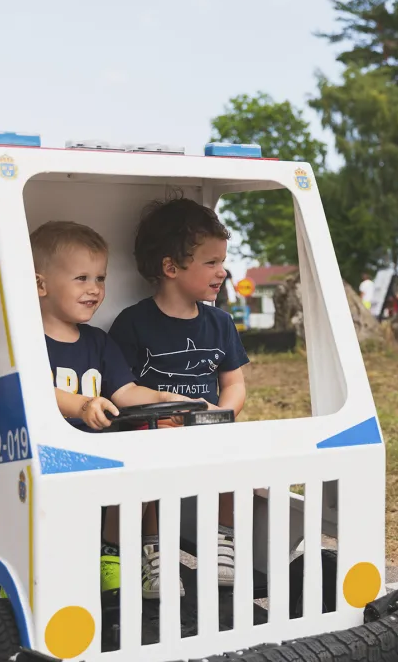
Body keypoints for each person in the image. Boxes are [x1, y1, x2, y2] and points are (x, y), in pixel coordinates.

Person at [31, 220, 189, 597]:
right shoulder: (25, 341)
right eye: (81, 278)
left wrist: (167, 399)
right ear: (41, 285)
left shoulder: (98, 342)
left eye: (100, 278)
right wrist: (83, 404)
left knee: (148, 446)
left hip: (98, 449)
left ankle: (112, 553)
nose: (94, 289)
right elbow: (36, 390)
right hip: (38, 452)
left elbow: (127, 391)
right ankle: (52, 569)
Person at [109, 197, 249, 590]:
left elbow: (234, 383)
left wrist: (223, 414)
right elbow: (124, 390)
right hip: (153, 430)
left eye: (223, 261)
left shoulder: (220, 323)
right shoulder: (134, 323)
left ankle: (224, 542)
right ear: (171, 267)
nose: (222, 272)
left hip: (208, 424)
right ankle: (156, 554)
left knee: (237, 453)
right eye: (211, 263)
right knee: (152, 463)